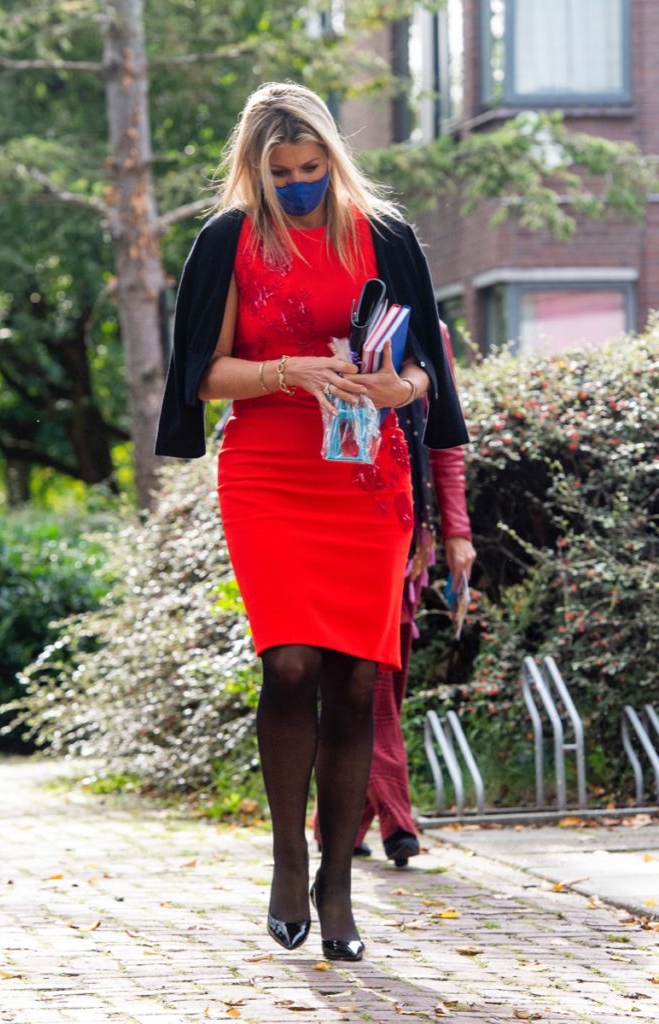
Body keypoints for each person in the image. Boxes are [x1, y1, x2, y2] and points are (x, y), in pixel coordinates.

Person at [155, 81, 469, 963]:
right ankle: (287, 862)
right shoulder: (229, 240)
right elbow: (202, 375)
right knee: (289, 664)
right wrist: (285, 371)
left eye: (311, 166)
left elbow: (427, 368)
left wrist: (399, 387)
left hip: (367, 477)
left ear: (334, 155)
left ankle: (337, 884)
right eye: (281, 172)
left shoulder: (387, 235)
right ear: (254, 172)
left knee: (357, 681)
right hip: (269, 472)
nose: (299, 184)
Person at [314, 326, 476, 867]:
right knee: (368, 677)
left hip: (401, 524)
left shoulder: (428, 332)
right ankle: (397, 815)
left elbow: (445, 438)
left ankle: (338, 819)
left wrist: (457, 532)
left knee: (389, 673)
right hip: (326, 523)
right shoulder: (324, 319)